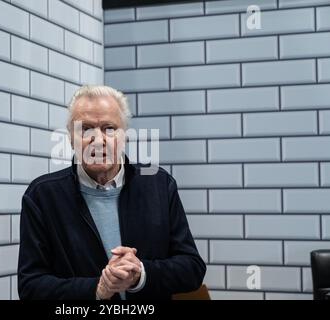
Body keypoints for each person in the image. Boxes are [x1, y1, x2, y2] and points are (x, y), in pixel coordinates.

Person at [18, 85, 206, 300]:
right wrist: (97, 290)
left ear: (124, 135)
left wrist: (141, 274)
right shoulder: (42, 196)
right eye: (86, 129)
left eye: (109, 128)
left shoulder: (159, 184)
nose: (98, 140)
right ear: (71, 138)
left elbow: (192, 268)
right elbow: (30, 286)